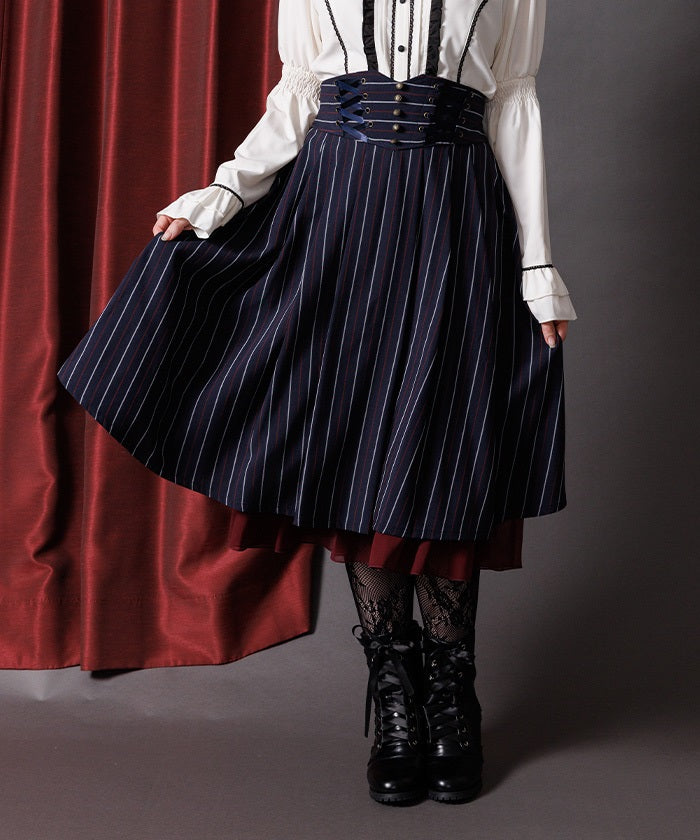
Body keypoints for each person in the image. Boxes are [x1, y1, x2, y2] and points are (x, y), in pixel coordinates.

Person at [57, 0, 577, 806]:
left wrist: (538, 266)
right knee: (363, 452)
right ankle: (396, 701)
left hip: (455, 217)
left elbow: (513, 102)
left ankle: (452, 695)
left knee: (440, 450)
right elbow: (299, 92)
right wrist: (226, 191)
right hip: (337, 218)